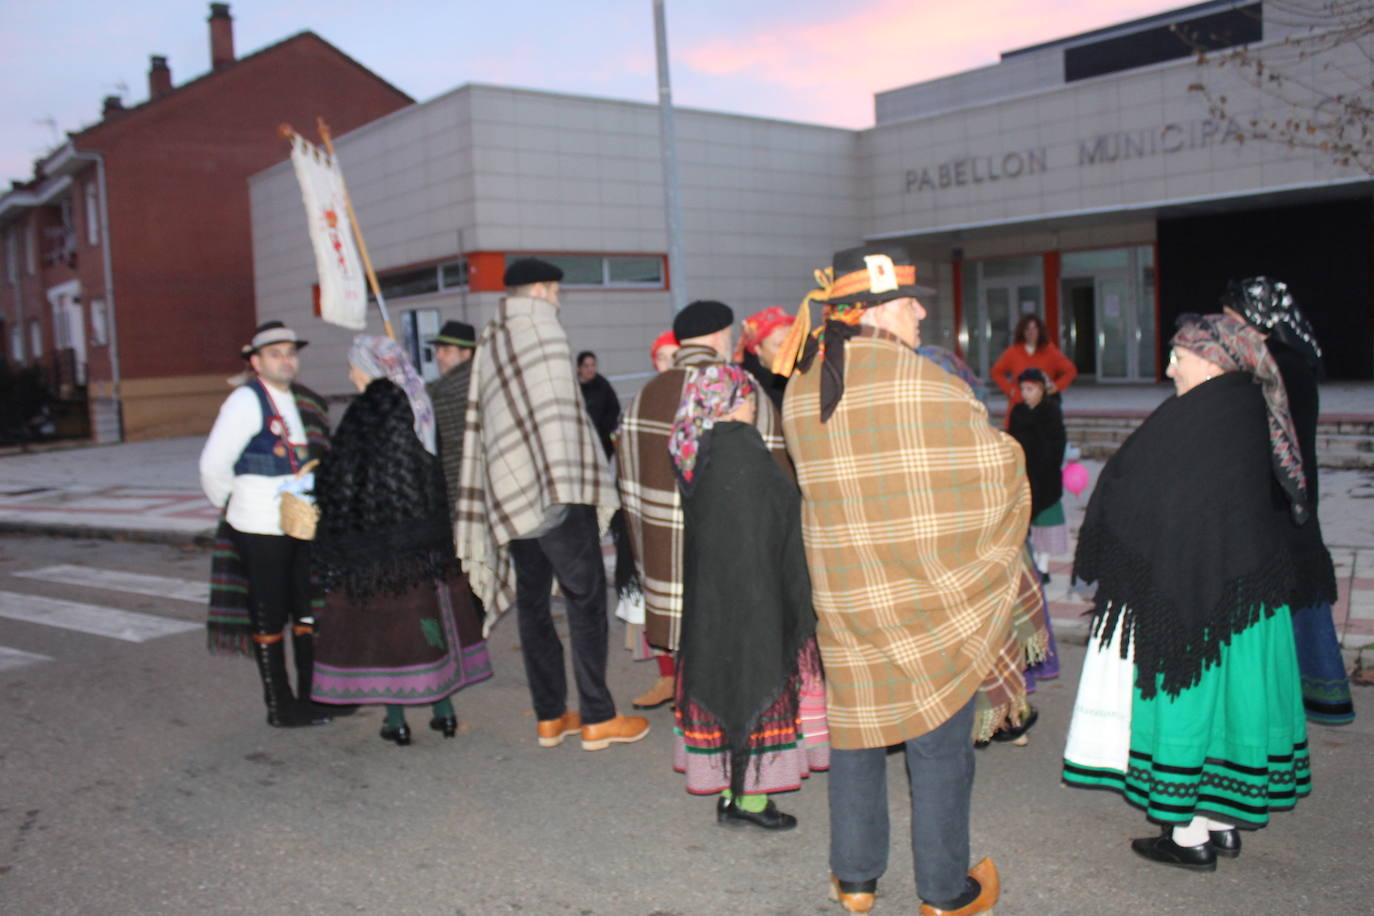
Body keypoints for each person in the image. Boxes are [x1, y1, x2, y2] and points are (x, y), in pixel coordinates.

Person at [781, 245, 1042, 916]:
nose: (922, 310)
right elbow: (1000, 478)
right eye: (908, 300)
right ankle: (943, 893)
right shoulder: (929, 385)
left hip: (845, 595)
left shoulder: (801, 389)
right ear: (870, 310)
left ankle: (856, 881)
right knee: (938, 748)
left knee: (858, 737)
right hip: (927, 601)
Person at [1063, 313, 1312, 871]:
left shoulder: (1198, 414)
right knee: (1233, 707)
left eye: (1179, 354)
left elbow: (1141, 487)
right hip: (1247, 599)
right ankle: (1221, 820)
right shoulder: (1251, 407)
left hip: (1188, 595)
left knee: (1188, 703)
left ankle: (1186, 834)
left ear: (1213, 359)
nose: (1169, 365)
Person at [454, 257, 649, 750]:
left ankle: (549, 716)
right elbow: (560, 425)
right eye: (557, 290)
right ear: (539, 290)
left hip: (514, 495)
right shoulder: (543, 332)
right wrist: (572, 481)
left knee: (534, 604)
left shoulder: (492, 337)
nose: (559, 299)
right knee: (585, 600)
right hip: (558, 495)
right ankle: (598, 717)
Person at [668, 362, 828, 830]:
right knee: (756, 685)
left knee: (724, 683)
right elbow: (781, 518)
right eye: (753, 398)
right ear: (738, 402)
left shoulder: (697, 452)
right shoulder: (746, 452)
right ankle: (751, 802)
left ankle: (726, 791)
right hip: (757, 594)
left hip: (713, 601)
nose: (757, 406)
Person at [310, 335, 492, 744]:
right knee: (428, 627)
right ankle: (444, 712)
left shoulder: (361, 416)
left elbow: (340, 484)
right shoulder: (417, 409)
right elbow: (432, 474)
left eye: (353, 366)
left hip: (373, 555)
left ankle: (396, 721)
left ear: (368, 369)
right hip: (422, 551)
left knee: (387, 634)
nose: (350, 373)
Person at [615, 301, 791, 711]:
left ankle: (695, 727)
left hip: (666, 555)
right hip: (726, 551)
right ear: (720, 335)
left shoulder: (646, 394)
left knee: (693, 653)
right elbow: (775, 463)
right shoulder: (733, 384)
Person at [1221, 277, 1350, 725]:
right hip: (1278, 494)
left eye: (1234, 316)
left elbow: (1278, 439)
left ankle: (1306, 691)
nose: (1228, 324)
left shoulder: (1282, 366)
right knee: (1289, 590)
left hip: (1282, 495)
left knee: (1291, 589)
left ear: (1259, 317)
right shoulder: (1278, 360)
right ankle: (1301, 692)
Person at [200, 321, 333, 728]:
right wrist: (237, 503)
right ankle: (280, 704)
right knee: (270, 613)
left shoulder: (301, 400)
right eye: (275, 353)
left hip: (301, 522)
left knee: (306, 610)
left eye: (290, 352)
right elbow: (213, 465)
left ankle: (314, 696)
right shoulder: (245, 400)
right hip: (260, 525)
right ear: (256, 362)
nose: (286, 360)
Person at [1007, 368, 1068, 581]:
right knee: (1025, 523)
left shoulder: (1051, 411)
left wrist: (1048, 462)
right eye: (1022, 389)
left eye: (1030, 389)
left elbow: (1058, 442)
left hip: (1046, 475)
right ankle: (1029, 564)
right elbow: (1012, 440)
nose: (1025, 393)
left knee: (1046, 523)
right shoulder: (1018, 412)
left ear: (1041, 389)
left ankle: (1043, 566)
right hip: (1024, 474)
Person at [425, 320, 477, 516]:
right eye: (437, 350)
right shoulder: (479, 379)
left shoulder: (450, 390)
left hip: (458, 484)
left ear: (466, 353)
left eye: (446, 350)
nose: (438, 356)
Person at [989, 314, 1077, 422]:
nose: (1031, 332)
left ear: (1040, 331)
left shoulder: (1050, 351)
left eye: (1034, 328)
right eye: (1027, 329)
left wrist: (1055, 388)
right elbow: (996, 372)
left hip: (1044, 408)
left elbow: (1070, 371)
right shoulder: (1013, 352)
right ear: (1022, 332)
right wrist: (1010, 391)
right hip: (1019, 407)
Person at [736, 306, 794, 410]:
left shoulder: (803, 376)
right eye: (779, 345)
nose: (788, 350)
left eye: (791, 342)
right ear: (758, 349)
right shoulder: (745, 389)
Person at [576, 350, 621, 458]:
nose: (590, 369)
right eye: (586, 366)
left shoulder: (603, 385)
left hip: (602, 442)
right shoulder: (574, 387)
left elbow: (614, 408)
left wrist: (603, 431)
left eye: (593, 365)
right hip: (581, 441)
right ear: (579, 368)